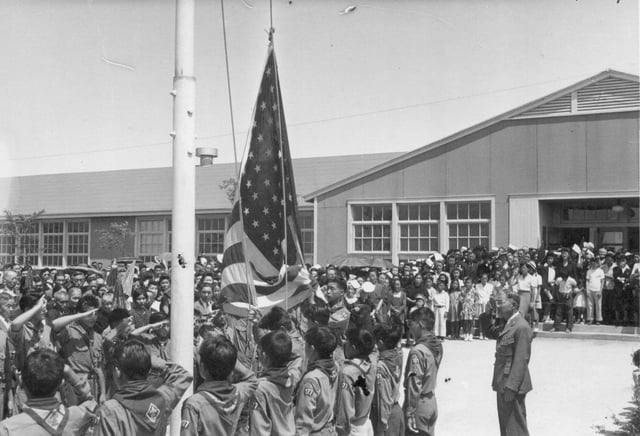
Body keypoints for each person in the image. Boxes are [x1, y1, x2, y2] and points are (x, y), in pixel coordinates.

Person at [96, 339, 192, 436]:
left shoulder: (110, 410)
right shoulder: (161, 398)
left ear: (117, 370)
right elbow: (182, 375)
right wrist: (154, 362)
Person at [0, 349, 98, 436]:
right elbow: (90, 400)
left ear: (22, 382)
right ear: (60, 384)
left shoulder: (8, 429)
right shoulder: (77, 417)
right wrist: (70, 373)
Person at [180, 336, 257, 436]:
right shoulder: (238, 394)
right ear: (232, 370)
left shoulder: (194, 404)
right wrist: (229, 360)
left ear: (202, 368)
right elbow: (252, 380)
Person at [492, 292, 533, 436]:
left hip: (511, 385)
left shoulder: (521, 327)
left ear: (513, 305)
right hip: (503, 382)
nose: (498, 306)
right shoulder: (508, 323)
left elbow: (521, 360)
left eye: (501, 303)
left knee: (516, 428)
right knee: (506, 427)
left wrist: (511, 387)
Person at [249, 330, 296, 436]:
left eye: (259, 352)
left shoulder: (260, 388)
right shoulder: (291, 377)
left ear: (264, 356)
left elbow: (259, 428)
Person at [295, 326, 340, 436]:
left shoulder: (311, 379)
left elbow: (304, 422)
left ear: (312, 348)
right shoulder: (335, 366)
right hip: (329, 429)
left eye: (305, 345)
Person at [404, 307, 441, 436]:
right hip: (431, 401)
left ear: (420, 324)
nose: (410, 328)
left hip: (419, 405)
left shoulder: (418, 350)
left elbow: (414, 384)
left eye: (411, 324)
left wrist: (410, 412)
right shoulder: (436, 344)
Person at [335, 327, 377, 436]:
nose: (344, 344)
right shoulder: (371, 363)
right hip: (365, 423)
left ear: (353, 348)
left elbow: (345, 408)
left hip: (352, 428)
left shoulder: (348, 372)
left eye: (347, 342)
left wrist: (340, 429)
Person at [371, 322, 404, 436]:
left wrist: (382, 425)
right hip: (397, 410)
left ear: (380, 343)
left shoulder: (381, 366)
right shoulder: (398, 355)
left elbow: (384, 398)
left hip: (386, 417)